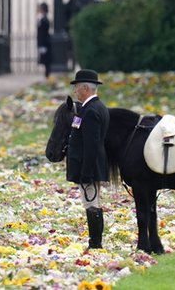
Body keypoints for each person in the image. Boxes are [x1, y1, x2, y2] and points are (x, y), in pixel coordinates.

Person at [67, 69, 110, 249]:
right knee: (93, 203)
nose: (75, 91)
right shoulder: (93, 107)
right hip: (90, 166)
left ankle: (95, 243)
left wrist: (86, 172)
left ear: (85, 88)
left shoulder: (91, 111)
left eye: (77, 88)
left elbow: (91, 145)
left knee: (91, 204)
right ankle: (96, 242)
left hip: (89, 167)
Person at [37, 2, 53, 79]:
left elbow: (42, 33)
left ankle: (47, 75)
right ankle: (47, 75)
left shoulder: (44, 20)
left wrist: (41, 44)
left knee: (46, 61)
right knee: (45, 61)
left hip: (44, 43)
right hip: (43, 43)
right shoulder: (42, 19)